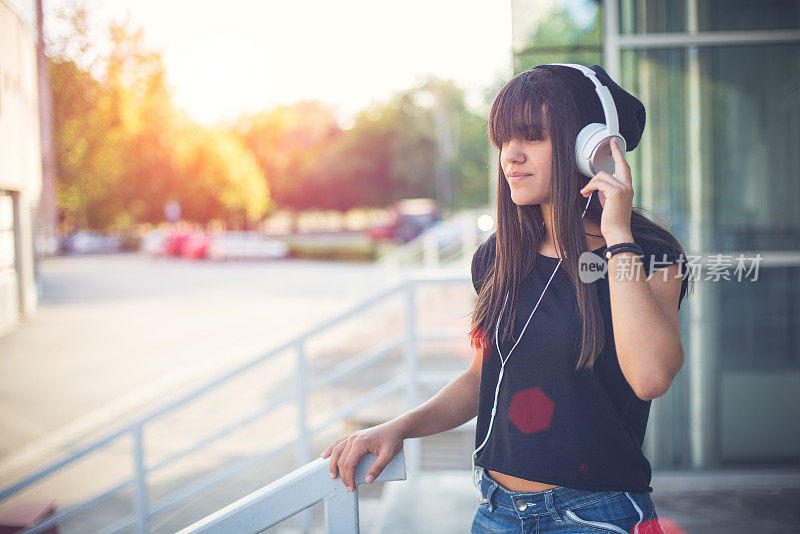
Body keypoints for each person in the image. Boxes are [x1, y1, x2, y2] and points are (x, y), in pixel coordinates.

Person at [321, 64, 691, 534]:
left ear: (588, 148)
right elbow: (481, 378)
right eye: (502, 140)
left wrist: (617, 233)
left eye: (532, 137)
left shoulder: (649, 254)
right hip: (496, 512)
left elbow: (651, 377)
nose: (510, 156)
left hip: (596, 516)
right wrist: (399, 427)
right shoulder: (497, 257)